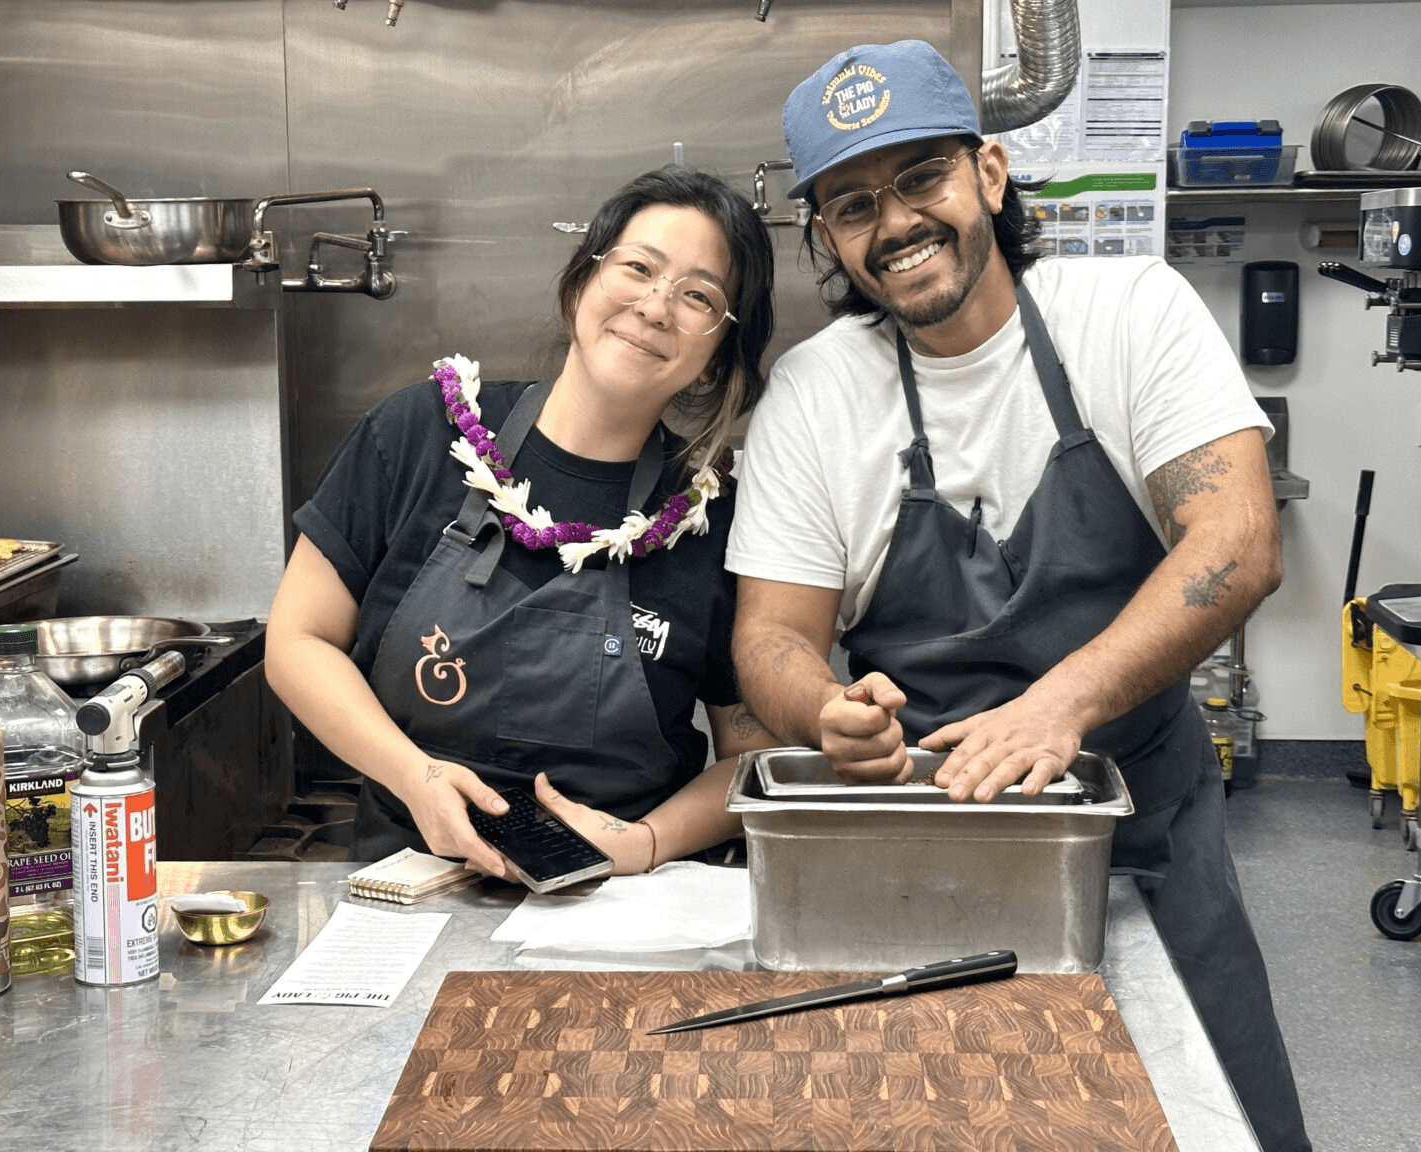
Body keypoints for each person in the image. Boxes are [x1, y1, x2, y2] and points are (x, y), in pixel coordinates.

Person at [726, 40, 1310, 1152]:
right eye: (853, 204)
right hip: (924, 838)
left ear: (988, 173)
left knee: (1210, 1117)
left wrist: (1063, 703)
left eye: (920, 178)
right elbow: (771, 638)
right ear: (827, 237)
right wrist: (824, 713)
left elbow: (1237, 540)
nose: (895, 223)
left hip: (1140, 825)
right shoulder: (814, 392)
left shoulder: (1128, 310)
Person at [266, 165, 780, 880]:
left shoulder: (708, 518)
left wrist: (646, 843)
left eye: (698, 296)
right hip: (408, 883)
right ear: (580, 285)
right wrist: (416, 776)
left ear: (715, 359)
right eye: (638, 267)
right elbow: (297, 640)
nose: (656, 307)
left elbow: (753, 753)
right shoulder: (420, 434)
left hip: (622, 902)